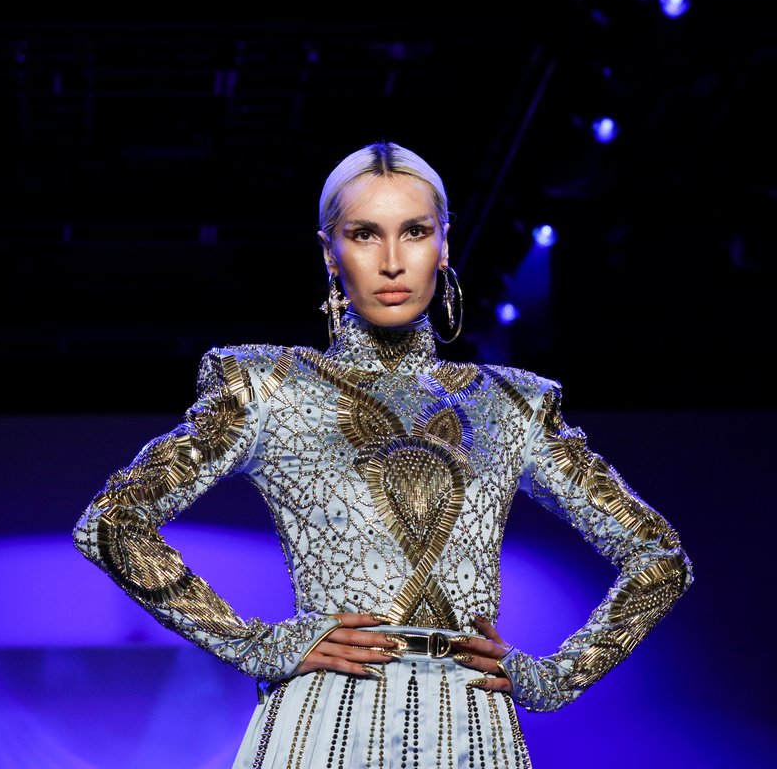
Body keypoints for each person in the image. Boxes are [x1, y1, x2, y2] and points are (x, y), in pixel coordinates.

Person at [73, 142, 692, 768]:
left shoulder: (512, 404)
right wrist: (258, 646)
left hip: (471, 725)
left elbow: (660, 557)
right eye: (365, 234)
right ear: (329, 252)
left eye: (415, 232)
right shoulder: (268, 388)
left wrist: (554, 677)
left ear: (443, 244)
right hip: (325, 720)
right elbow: (112, 521)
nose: (393, 261)